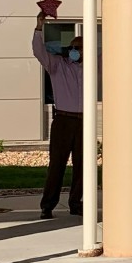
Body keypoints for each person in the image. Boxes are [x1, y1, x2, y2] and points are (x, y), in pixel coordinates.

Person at [31, 13, 85, 220]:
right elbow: (39, 52)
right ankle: (47, 205)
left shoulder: (94, 68)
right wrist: (39, 27)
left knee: (83, 164)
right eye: (71, 47)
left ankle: (76, 203)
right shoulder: (58, 66)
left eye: (78, 47)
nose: (73, 51)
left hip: (84, 121)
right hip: (63, 119)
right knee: (57, 164)